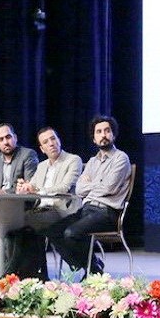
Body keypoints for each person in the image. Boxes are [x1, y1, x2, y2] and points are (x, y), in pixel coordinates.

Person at [43, 115, 131, 278]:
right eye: (99, 132)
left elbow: (109, 187)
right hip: (86, 209)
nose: (103, 135)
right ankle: (92, 266)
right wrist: (98, 184)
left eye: (107, 131)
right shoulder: (92, 161)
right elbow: (79, 190)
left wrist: (91, 184)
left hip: (108, 212)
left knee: (71, 233)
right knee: (53, 231)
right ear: (94, 139)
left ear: (113, 134)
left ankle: (92, 269)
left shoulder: (121, 158)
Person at [0, 123, 39, 278]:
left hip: (22, 208)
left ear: (15, 138)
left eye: (8, 137)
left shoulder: (28, 155)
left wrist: (4, 192)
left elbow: (30, 185)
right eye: (1, 139)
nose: (6, 142)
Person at [16, 126, 83, 231]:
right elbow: (32, 186)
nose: (51, 143)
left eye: (53, 138)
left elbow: (65, 187)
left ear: (59, 141)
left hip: (61, 211)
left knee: (22, 221)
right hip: (40, 209)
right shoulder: (41, 166)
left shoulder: (73, 160)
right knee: (13, 220)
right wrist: (24, 187)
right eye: (46, 142)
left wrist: (37, 190)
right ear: (42, 149)